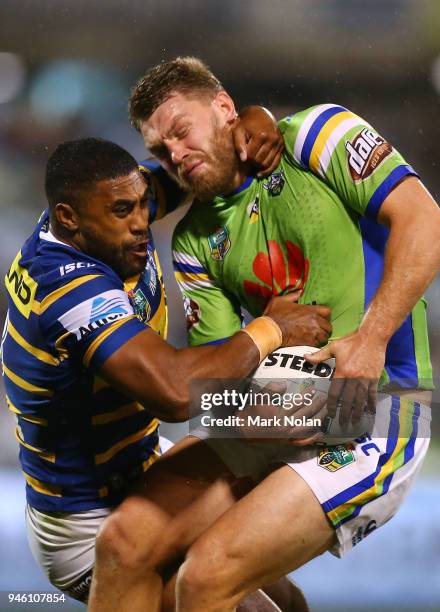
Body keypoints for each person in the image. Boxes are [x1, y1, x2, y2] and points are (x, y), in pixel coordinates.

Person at [86, 57, 439, 612]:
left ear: (225, 107)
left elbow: (427, 221)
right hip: (282, 409)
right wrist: (262, 374)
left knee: (205, 578)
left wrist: (370, 339)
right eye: (160, 152)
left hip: (378, 400)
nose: (174, 155)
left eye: (181, 132)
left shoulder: (320, 135)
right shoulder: (192, 244)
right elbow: (216, 401)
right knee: (123, 545)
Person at [1, 132, 331, 608]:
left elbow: (196, 172)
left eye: (141, 205)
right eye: (123, 212)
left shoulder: (107, 213)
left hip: (143, 464)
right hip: (87, 521)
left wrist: (254, 128)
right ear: (68, 219)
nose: (141, 223)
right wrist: (271, 329)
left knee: (288, 603)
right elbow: (176, 393)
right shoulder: (68, 290)